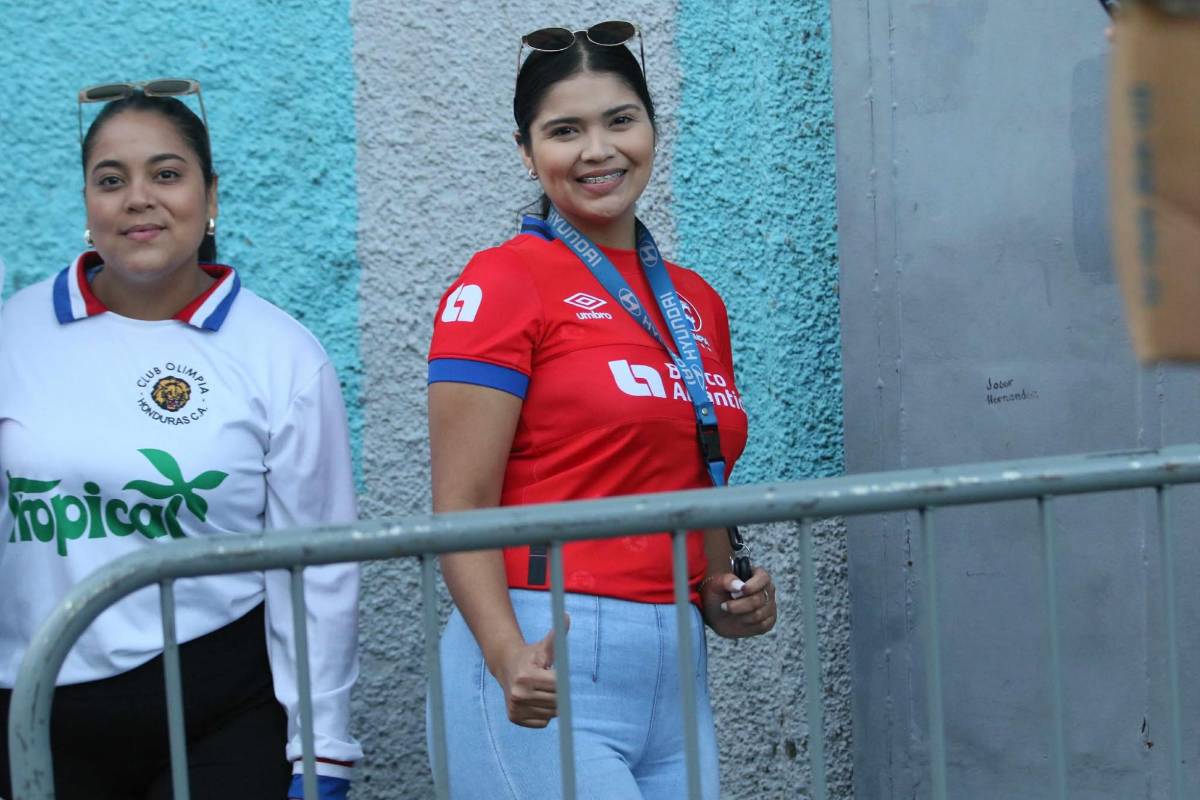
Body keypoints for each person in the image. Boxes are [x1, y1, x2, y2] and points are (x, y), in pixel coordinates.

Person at [426, 22, 778, 799]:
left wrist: (723, 593)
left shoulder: (696, 301)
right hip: (541, 652)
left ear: (651, 127)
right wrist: (505, 654)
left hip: (674, 663)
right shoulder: (502, 281)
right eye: (564, 131)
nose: (598, 150)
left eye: (620, 120)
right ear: (526, 152)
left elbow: (692, 469)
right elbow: (460, 504)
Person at [0, 83, 360, 800]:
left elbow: (317, 568)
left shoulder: (281, 354)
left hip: (220, 710)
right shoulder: (15, 334)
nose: (139, 199)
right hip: (37, 715)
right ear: (87, 204)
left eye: (166, 174)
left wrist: (323, 749)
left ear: (210, 194)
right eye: (111, 180)